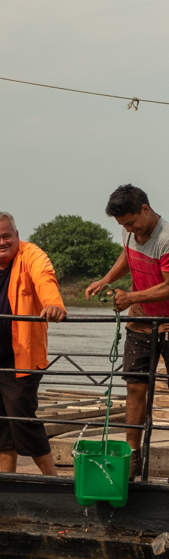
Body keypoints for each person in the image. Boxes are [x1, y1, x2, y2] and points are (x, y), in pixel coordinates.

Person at [0, 212, 66, 475]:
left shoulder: (32, 255)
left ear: (17, 235)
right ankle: (6, 475)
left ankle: (52, 478)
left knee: (22, 420)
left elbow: (45, 279)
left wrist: (53, 303)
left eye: (6, 236)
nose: (1, 242)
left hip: (20, 357)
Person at [85, 184, 169, 478]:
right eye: (123, 225)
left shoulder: (166, 239)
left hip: (168, 322)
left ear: (145, 210)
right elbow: (128, 255)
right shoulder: (130, 232)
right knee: (134, 387)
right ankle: (132, 457)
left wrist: (130, 297)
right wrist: (106, 279)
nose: (129, 229)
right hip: (140, 321)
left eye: (131, 222)